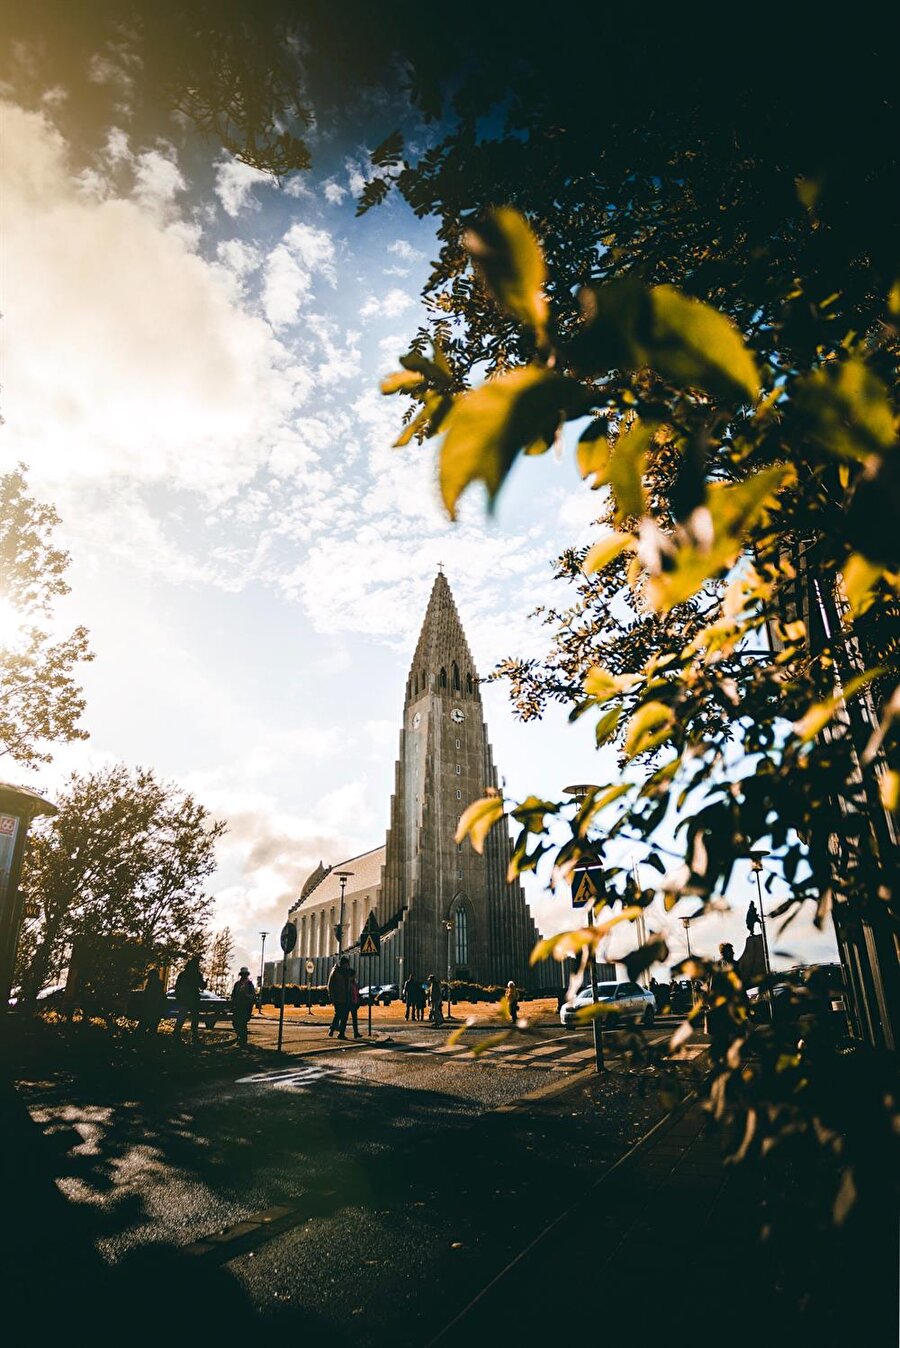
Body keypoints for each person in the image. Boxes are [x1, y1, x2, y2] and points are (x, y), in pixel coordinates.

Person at [173, 955, 205, 1044]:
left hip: (184, 999)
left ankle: (176, 1034)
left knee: (182, 1017)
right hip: (193, 999)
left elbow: (177, 987)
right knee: (195, 1018)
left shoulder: (183, 974)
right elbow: (202, 986)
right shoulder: (197, 974)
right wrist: (205, 983)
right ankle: (194, 1037)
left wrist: (178, 997)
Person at [327, 955, 352, 1039]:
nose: (348, 966)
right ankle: (332, 1028)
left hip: (346, 998)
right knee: (338, 1014)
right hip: (338, 997)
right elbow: (330, 985)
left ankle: (341, 1033)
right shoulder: (335, 972)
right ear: (342, 964)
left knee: (345, 1016)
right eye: (347, 964)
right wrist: (332, 997)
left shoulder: (347, 973)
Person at [231, 966, 256, 1048]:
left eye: (245, 974)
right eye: (243, 974)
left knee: (243, 1023)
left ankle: (243, 1040)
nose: (244, 976)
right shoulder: (237, 984)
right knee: (235, 1023)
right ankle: (240, 1037)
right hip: (237, 1006)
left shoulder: (249, 984)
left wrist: (246, 996)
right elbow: (233, 995)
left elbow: (253, 996)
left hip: (245, 1007)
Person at [137, 968, 166, 1035]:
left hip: (151, 1011)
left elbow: (155, 999)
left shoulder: (154, 986)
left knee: (143, 1029)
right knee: (151, 1030)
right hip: (152, 1011)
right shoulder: (155, 985)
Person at [347, 968, 363, 1038]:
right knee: (345, 1018)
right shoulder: (348, 983)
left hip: (354, 1003)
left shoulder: (354, 983)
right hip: (349, 1002)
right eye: (354, 975)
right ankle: (341, 1032)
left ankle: (356, 1033)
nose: (355, 976)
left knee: (355, 1019)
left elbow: (357, 992)